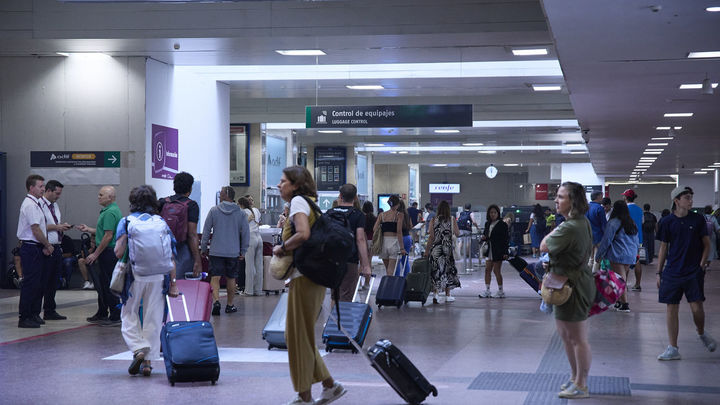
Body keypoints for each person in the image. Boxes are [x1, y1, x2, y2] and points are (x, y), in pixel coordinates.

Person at [272, 166, 346, 405]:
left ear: (296, 185)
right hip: (309, 276)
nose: (279, 185)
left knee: (296, 336)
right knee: (298, 335)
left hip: (304, 277)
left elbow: (302, 234)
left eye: (283, 181)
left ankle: (305, 396)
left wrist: (282, 248)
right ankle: (329, 385)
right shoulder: (310, 202)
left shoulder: (298, 203)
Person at [114, 185, 179, 377]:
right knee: (153, 318)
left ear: (132, 202)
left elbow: (118, 252)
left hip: (135, 276)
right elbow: (171, 256)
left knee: (129, 314)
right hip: (159, 276)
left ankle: (138, 348)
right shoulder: (161, 222)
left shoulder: (126, 221)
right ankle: (148, 363)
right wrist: (173, 283)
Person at [540, 182, 594, 399]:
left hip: (573, 286)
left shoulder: (570, 227)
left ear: (574, 201)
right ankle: (575, 378)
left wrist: (553, 236)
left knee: (577, 338)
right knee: (566, 335)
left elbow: (544, 245)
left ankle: (581, 384)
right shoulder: (579, 223)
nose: (556, 200)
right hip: (566, 282)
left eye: (561, 197)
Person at [656, 186, 717, 360]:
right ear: (677, 201)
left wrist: (701, 265)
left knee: (697, 308)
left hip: (693, 271)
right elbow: (663, 247)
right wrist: (659, 272)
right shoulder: (667, 222)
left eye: (691, 197)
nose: (691, 201)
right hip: (672, 272)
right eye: (687, 198)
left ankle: (701, 333)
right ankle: (673, 348)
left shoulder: (698, 220)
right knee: (671, 308)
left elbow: (707, 244)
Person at [77, 186, 123, 326]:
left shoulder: (110, 213)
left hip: (107, 252)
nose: (98, 197)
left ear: (110, 197)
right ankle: (102, 312)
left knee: (108, 284)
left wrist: (95, 254)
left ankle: (115, 315)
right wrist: (89, 229)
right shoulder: (110, 210)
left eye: (101, 195)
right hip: (108, 251)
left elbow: (108, 236)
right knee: (102, 283)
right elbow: (105, 232)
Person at [201, 186, 249, 315]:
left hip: (216, 250)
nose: (219, 195)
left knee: (215, 277)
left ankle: (216, 301)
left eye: (221, 193)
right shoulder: (240, 213)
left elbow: (206, 231)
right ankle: (229, 305)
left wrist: (204, 247)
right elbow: (245, 233)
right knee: (231, 278)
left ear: (226, 195)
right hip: (233, 251)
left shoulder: (214, 211)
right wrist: (243, 251)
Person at [16, 175, 54, 328]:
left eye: (43, 186)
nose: (43, 189)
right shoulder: (30, 205)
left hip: (36, 247)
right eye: (40, 186)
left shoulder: (36, 203)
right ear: (31, 188)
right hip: (31, 247)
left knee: (37, 284)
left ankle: (33, 313)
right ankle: (24, 316)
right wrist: (47, 244)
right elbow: (35, 229)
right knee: (30, 284)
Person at [330, 184, 372, 301]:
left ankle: (334, 319)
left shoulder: (330, 213)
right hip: (349, 260)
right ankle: (343, 319)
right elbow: (360, 239)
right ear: (355, 198)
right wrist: (366, 265)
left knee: (335, 295)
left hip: (332, 260)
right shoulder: (358, 215)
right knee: (347, 294)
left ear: (340, 196)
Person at [595, 201, 638, 312]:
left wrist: (599, 255)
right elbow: (635, 240)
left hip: (617, 254)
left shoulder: (613, 222)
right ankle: (619, 302)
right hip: (630, 255)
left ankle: (625, 304)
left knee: (620, 280)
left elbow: (606, 240)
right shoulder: (631, 222)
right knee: (622, 279)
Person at [158, 172, 201, 279]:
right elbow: (192, 234)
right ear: (190, 188)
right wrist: (197, 259)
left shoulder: (162, 202)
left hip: (163, 249)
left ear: (174, 186)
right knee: (182, 284)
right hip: (183, 249)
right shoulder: (192, 205)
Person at [39, 180, 71, 320]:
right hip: (45, 246)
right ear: (49, 191)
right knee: (43, 280)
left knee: (53, 281)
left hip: (57, 246)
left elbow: (54, 224)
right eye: (57, 193)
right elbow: (39, 226)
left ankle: (50, 310)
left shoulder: (55, 205)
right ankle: (35, 311)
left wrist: (61, 226)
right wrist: (57, 227)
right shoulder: (39, 205)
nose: (58, 196)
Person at [425, 200, 461, 303]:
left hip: (436, 250)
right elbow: (457, 233)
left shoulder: (433, 220)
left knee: (436, 272)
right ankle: (447, 295)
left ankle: (436, 294)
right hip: (447, 250)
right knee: (447, 271)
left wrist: (427, 251)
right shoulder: (452, 219)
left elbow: (431, 237)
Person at [479, 205, 509, 298]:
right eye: (491, 212)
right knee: (487, 270)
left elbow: (505, 239)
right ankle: (487, 290)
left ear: (498, 213)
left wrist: (505, 252)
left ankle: (501, 291)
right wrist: (484, 238)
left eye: (494, 212)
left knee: (496, 271)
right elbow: (486, 234)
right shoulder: (487, 223)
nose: (492, 214)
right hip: (489, 249)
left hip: (498, 250)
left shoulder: (502, 224)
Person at [373, 195, 407, 276]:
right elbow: (399, 231)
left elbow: (374, 228)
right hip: (394, 242)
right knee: (391, 271)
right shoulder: (399, 215)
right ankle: (391, 288)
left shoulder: (382, 215)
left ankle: (387, 287)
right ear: (398, 204)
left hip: (383, 243)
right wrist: (402, 248)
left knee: (388, 269)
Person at [237, 195, 263, 297]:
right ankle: (258, 290)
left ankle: (249, 290)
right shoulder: (256, 210)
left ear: (241, 204)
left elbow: (239, 226)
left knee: (249, 265)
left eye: (238, 204)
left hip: (250, 238)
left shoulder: (242, 212)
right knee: (259, 265)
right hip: (259, 238)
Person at [622, 189, 644, 291]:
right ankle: (637, 284)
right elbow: (642, 223)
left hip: (627, 240)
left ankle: (624, 285)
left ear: (626, 197)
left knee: (625, 262)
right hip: (638, 239)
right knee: (637, 261)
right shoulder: (640, 210)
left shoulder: (624, 209)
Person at [586, 191, 607, 271]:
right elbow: (603, 224)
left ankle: (588, 276)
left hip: (588, 236)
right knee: (597, 259)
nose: (602, 198)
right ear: (598, 197)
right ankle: (594, 277)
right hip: (598, 237)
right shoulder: (599, 208)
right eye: (601, 196)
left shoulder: (586, 207)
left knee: (589, 259)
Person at [394, 200, 413, 277]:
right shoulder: (407, 214)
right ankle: (406, 279)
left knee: (397, 261)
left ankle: (397, 279)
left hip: (399, 238)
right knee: (405, 260)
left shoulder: (397, 215)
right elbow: (411, 226)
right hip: (407, 237)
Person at [362, 201, 376, 288]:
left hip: (363, 240)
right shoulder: (375, 218)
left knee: (362, 262)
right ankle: (367, 283)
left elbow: (362, 231)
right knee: (369, 262)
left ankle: (358, 283)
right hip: (372, 241)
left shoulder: (362, 218)